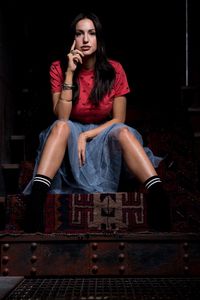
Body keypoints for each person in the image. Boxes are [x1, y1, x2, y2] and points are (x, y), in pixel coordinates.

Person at [24, 12, 171, 233]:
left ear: (98, 39)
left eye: (91, 34)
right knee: (62, 126)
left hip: (105, 136)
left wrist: (87, 135)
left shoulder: (115, 69)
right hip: (68, 135)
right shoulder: (59, 67)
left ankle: (158, 196)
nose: (85, 39)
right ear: (72, 39)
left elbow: (118, 119)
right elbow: (62, 116)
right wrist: (70, 73)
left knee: (122, 130)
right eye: (79, 34)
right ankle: (36, 201)